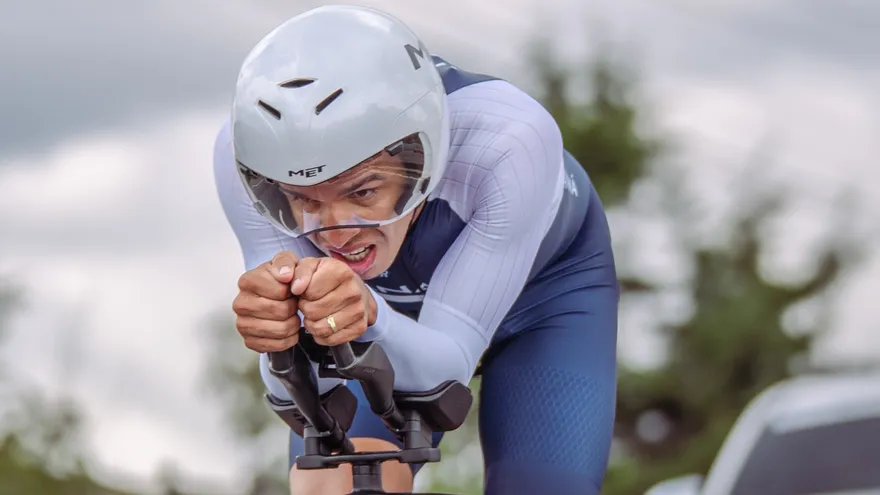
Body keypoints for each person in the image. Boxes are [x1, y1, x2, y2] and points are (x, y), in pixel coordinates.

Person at [213, 5, 619, 495]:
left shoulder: (510, 138)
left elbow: (441, 380)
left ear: (420, 157)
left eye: (363, 192)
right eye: (303, 200)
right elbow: (306, 401)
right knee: (333, 484)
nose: (337, 234)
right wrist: (277, 340)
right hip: (377, 311)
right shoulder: (243, 156)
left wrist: (368, 313)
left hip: (544, 303)